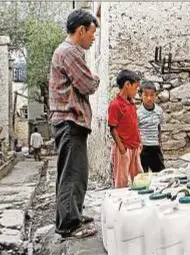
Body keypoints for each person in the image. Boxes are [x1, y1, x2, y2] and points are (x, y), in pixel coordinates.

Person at [48, 9, 100, 239]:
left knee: (73, 172)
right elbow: (89, 84)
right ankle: (69, 224)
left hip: (69, 121)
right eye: (92, 32)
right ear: (81, 30)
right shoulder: (70, 52)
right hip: (70, 121)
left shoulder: (67, 51)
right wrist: (95, 78)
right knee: (72, 174)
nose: (93, 37)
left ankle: (73, 214)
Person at [108, 69, 142, 188]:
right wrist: (121, 148)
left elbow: (134, 125)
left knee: (138, 178)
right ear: (127, 85)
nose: (137, 92)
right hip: (123, 148)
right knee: (121, 180)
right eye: (136, 88)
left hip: (134, 147)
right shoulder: (115, 104)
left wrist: (139, 142)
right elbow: (113, 128)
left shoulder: (131, 103)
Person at [137, 80, 165, 173]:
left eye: (152, 95)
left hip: (155, 147)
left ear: (156, 95)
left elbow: (159, 127)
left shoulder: (159, 111)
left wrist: (160, 143)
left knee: (160, 174)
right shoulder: (138, 113)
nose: (149, 98)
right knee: (143, 175)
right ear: (141, 95)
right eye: (146, 95)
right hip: (143, 148)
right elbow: (136, 130)